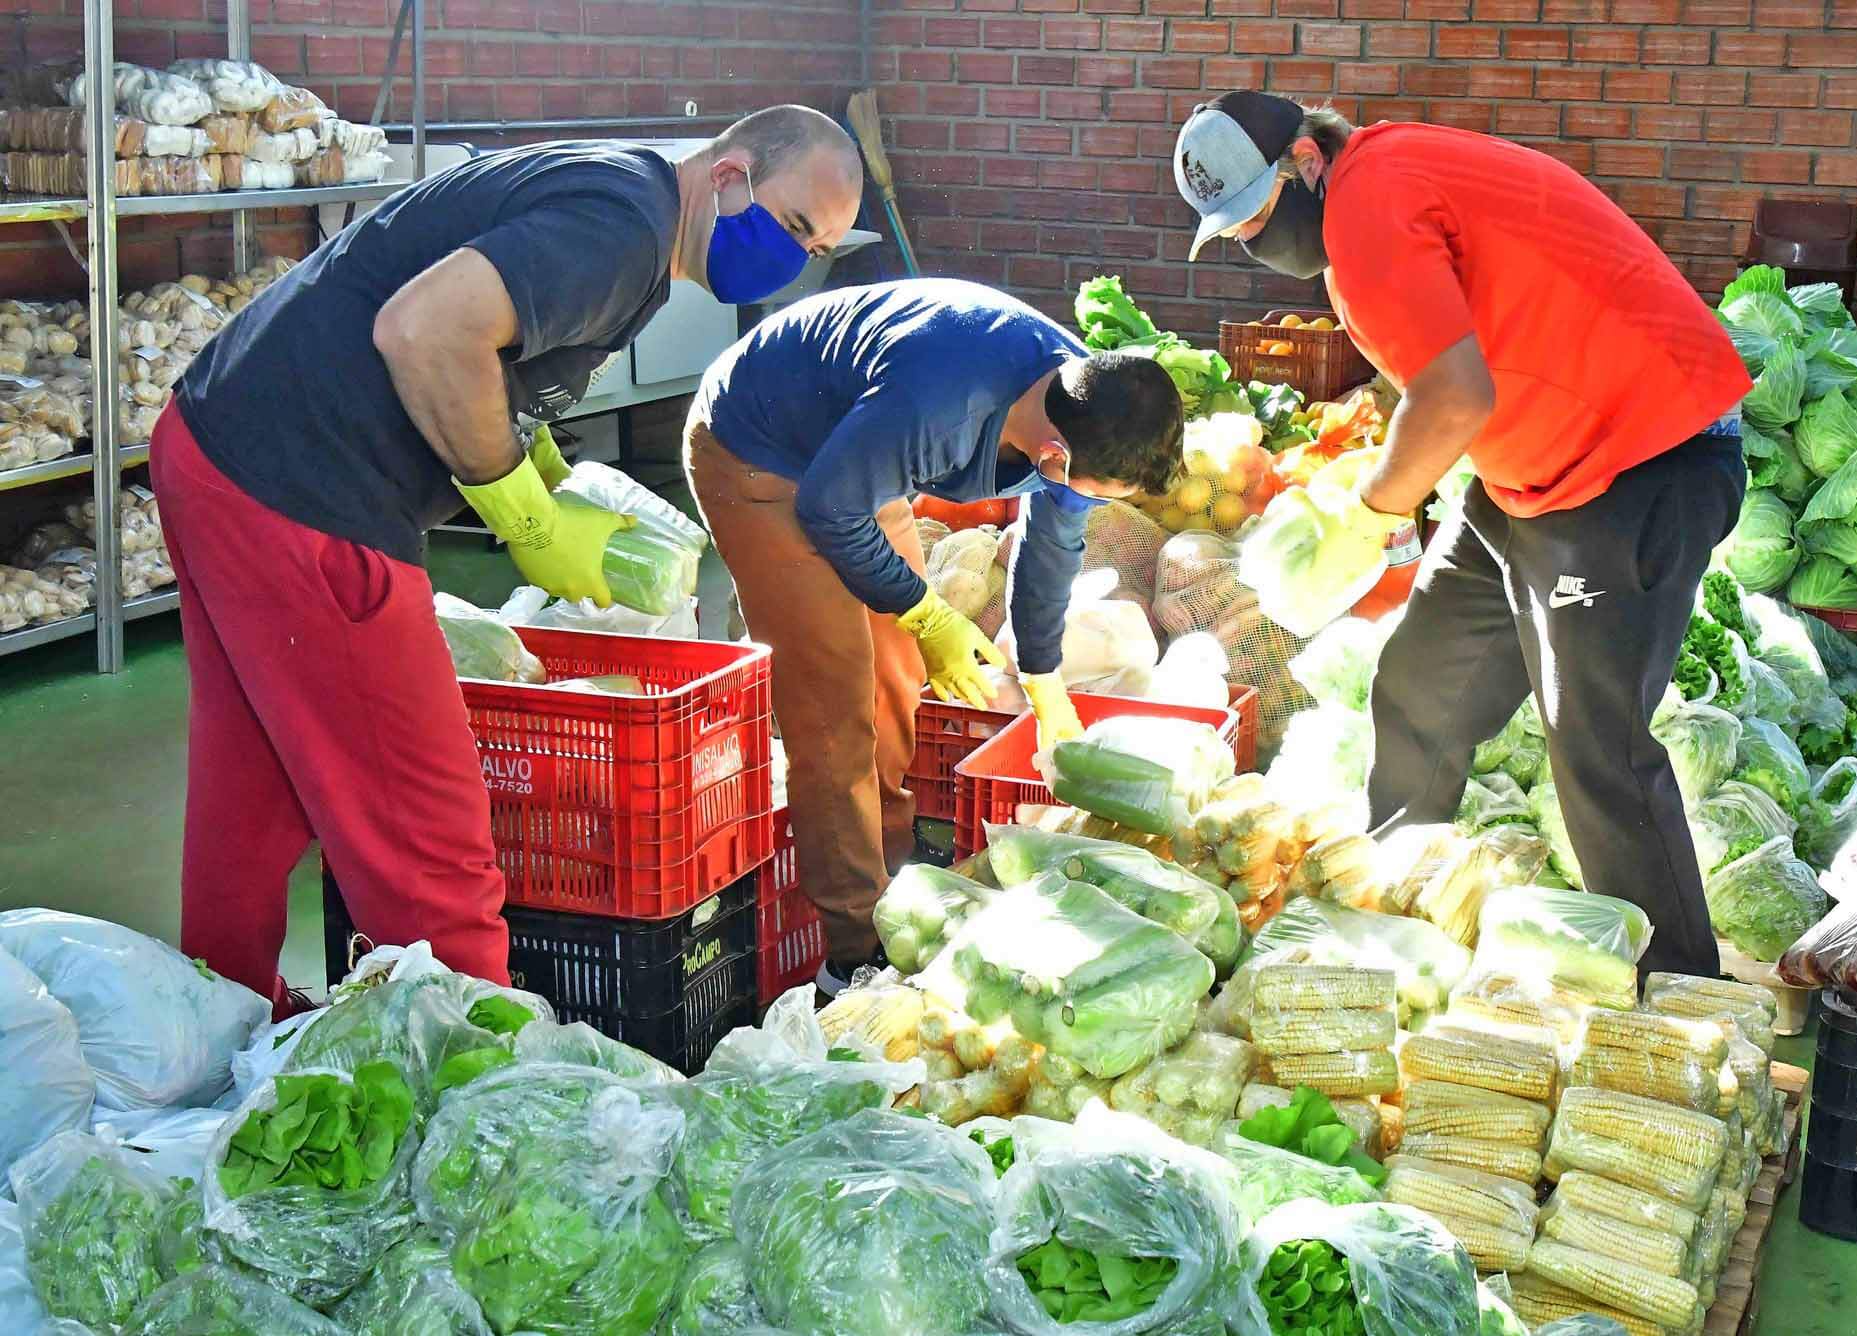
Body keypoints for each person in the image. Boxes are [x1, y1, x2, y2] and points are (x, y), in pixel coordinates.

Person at [151, 107, 863, 1016]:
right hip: (308, 491)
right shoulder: (623, 233)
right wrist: (526, 518)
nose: (794, 259)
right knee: (428, 829)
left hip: (216, 446)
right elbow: (426, 332)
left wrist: (548, 468)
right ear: (729, 177)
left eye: (819, 249)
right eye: (795, 226)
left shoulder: (630, 195)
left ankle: (219, 1012)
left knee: (252, 774)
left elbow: (502, 353)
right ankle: (481, 1089)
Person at [1173, 93, 1753, 976]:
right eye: (1235, 227)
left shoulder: (1370, 205)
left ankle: (1678, 1000)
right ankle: (1398, 902)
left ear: (1304, 159)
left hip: (1634, 461)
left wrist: (1367, 516)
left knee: (1596, 751)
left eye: (1259, 210)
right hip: (1534, 469)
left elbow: (1453, 396)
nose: (1256, 237)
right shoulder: (1379, 177)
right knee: (1422, 686)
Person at [687, 278, 1184, 993]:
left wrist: (1045, 681)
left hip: (854, 457)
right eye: (1087, 491)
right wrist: (928, 614)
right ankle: (854, 950)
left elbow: (1050, 548)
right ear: (1051, 455)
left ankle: (892, 860)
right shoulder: (943, 407)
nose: (1081, 504)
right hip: (760, 453)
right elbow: (830, 510)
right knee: (833, 708)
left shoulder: (1088, 400)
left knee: (895, 679)